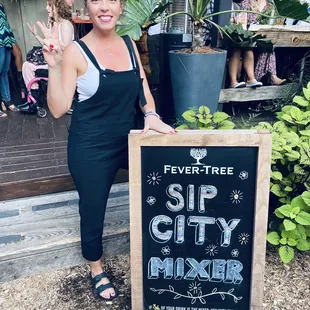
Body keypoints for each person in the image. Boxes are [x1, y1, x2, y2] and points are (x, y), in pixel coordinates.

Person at [40, 0, 176, 302]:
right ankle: (97, 268)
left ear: (121, 6)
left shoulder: (129, 43)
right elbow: (60, 109)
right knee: (92, 209)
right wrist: (54, 66)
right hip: (90, 146)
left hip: (128, 138)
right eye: (96, 0)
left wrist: (151, 116)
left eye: (112, 0)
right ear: (86, 7)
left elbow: (143, 90)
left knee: (168, 177)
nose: (104, 7)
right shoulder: (76, 51)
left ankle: (164, 247)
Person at [22, 0, 74, 103]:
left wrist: (53, 43)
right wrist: (36, 35)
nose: (46, 8)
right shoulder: (56, 24)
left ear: (58, 7)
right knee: (27, 65)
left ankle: (34, 101)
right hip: (54, 62)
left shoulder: (65, 24)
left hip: (62, 65)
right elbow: (50, 45)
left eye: (49, 5)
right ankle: (34, 99)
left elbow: (67, 49)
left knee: (27, 66)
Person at [239, 0, 286, 85]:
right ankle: (270, 77)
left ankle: (265, 77)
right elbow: (242, 23)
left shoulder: (270, 5)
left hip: (265, 38)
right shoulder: (246, 3)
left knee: (268, 46)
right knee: (266, 46)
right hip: (249, 38)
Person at [0, 3, 20, 117]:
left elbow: (5, 23)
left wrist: (11, 40)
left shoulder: (1, 5)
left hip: (6, 40)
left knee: (4, 73)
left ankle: (7, 100)